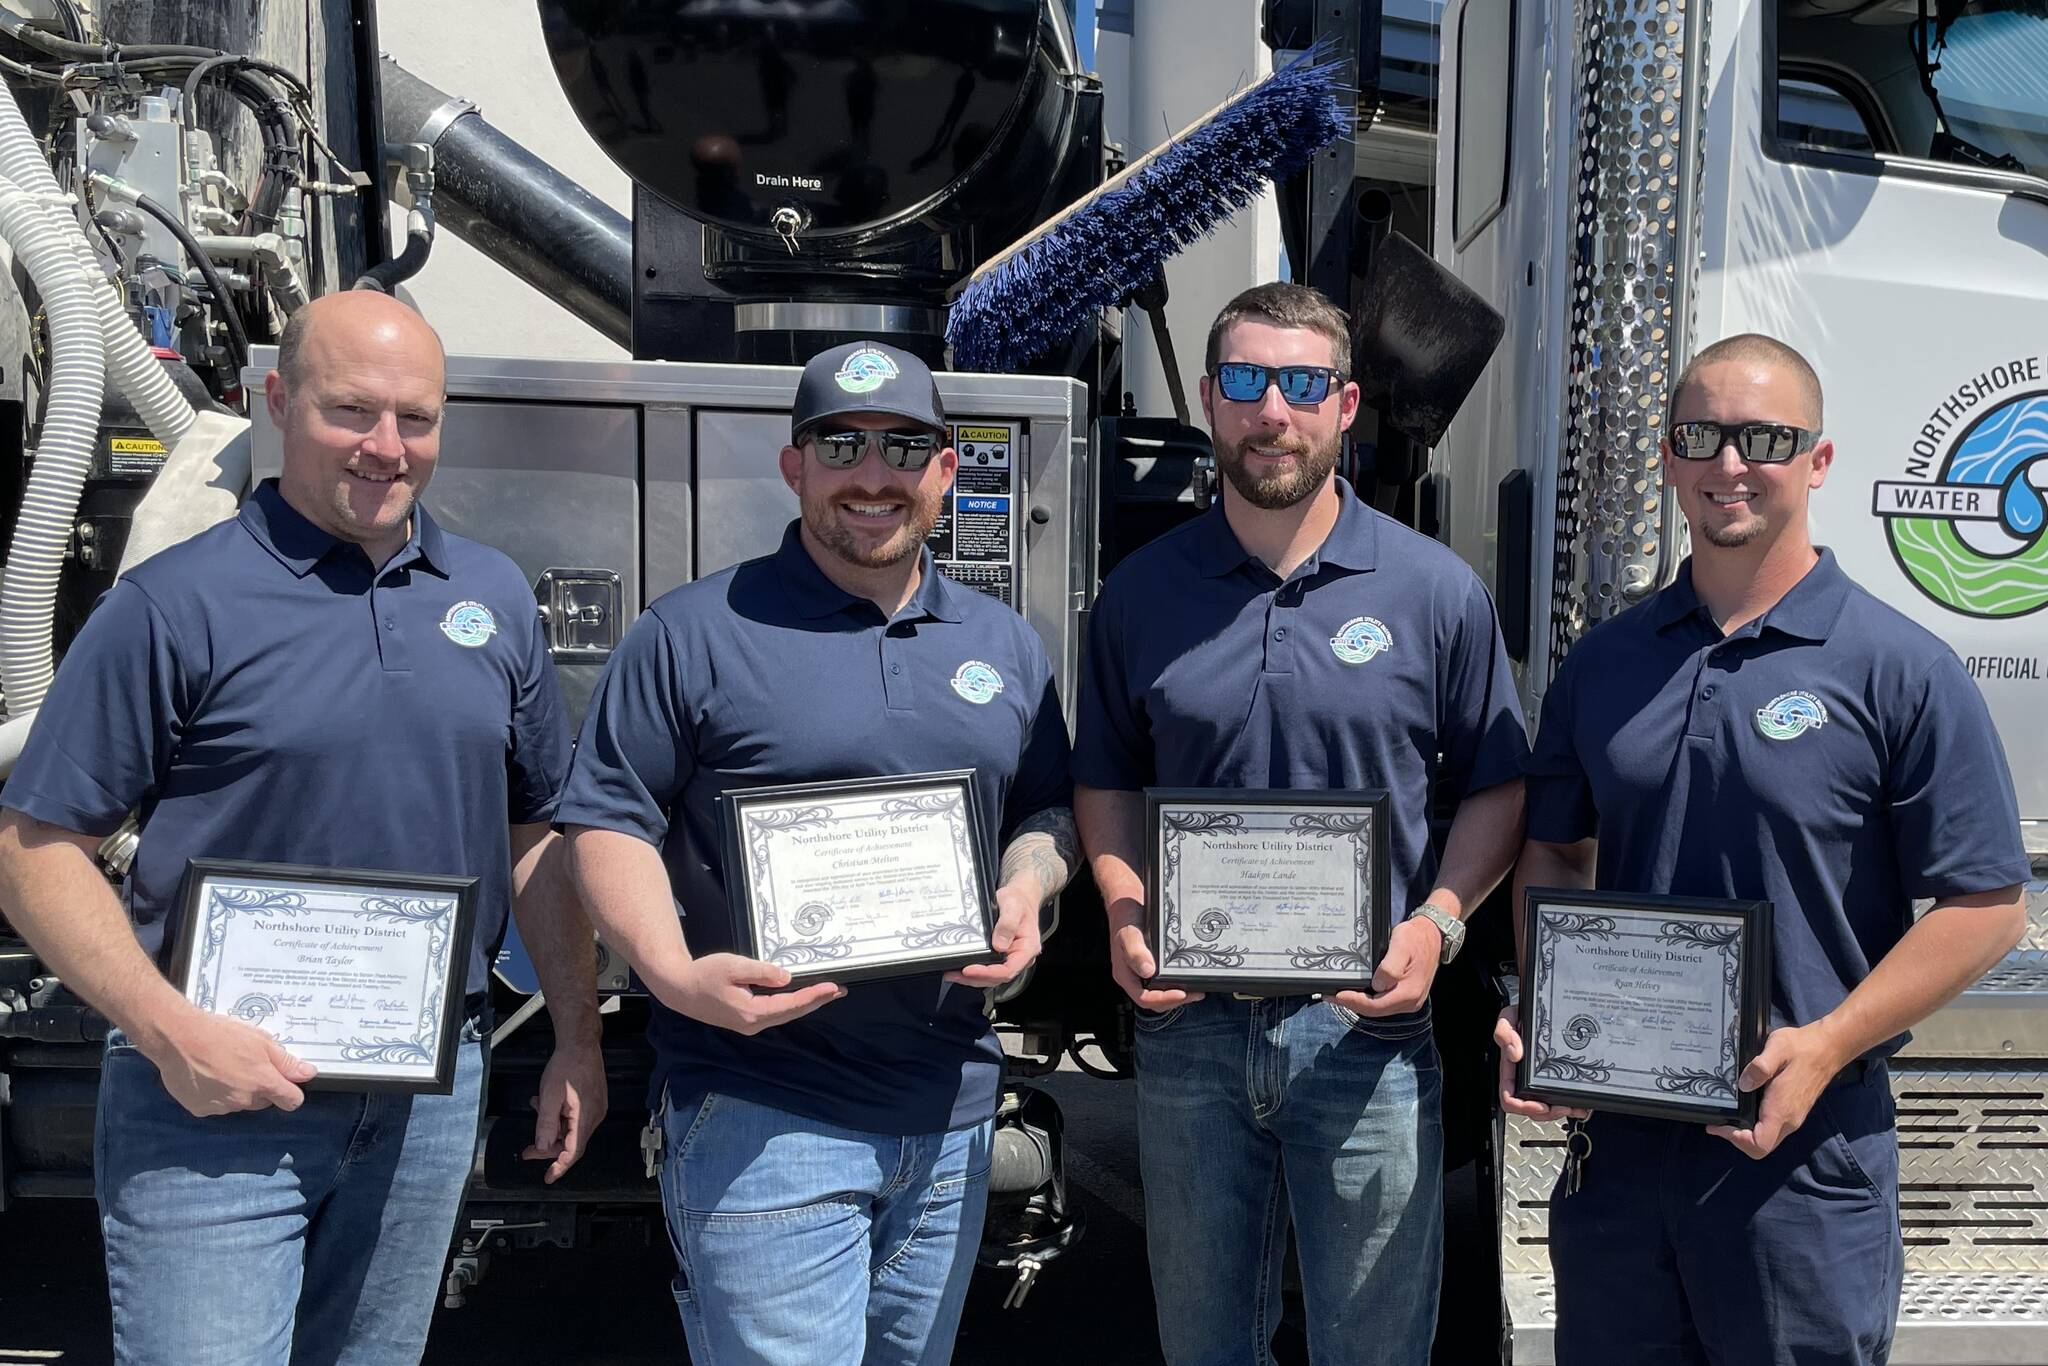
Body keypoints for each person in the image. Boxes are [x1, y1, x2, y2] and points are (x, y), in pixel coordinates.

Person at [0, 290, 607, 1366]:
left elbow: (537, 835)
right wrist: (166, 1030)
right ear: (276, 401)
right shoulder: (172, 605)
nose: (385, 448)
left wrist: (575, 1036)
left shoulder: (493, 596)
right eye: (350, 412)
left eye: (415, 419)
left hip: (423, 1100)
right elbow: (32, 850)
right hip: (211, 1102)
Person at [1495, 332, 2029, 1364]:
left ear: (1816, 460)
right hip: (1619, 1155)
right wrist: (1544, 1009)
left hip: (1800, 1154)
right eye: (1699, 435)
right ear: (1665, 457)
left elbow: (1986, 905)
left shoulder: (1898, 669)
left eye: (1762, 437)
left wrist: (1824, 1042)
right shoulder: (1603, 663)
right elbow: (1556, 855)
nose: (1727, 463)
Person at [556, 339, 1077, 1366]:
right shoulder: (694, 632)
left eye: (902, 447)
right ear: (794, 465)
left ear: (943, 469)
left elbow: (1046, 808)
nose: (872, 474)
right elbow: (606, 821)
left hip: (949, 1109)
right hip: (762, 1111)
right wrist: (669, 973)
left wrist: (1027, 886)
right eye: (841, 443)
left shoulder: (1001, 643)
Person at [1073, 282, 1529, 1365]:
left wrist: (1439, 927)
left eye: (1299, 383)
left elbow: (1497, 785)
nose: (1269, 410)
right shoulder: (1138, 596)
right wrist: (1125, 910)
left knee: (1371, 1346)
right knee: (1203, 1346)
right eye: (1243, 381)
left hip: (1364, 1031)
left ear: (1343, 404)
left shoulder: (1434, 591)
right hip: (1188, 1033)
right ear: (1206, 399)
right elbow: (1104, 778)